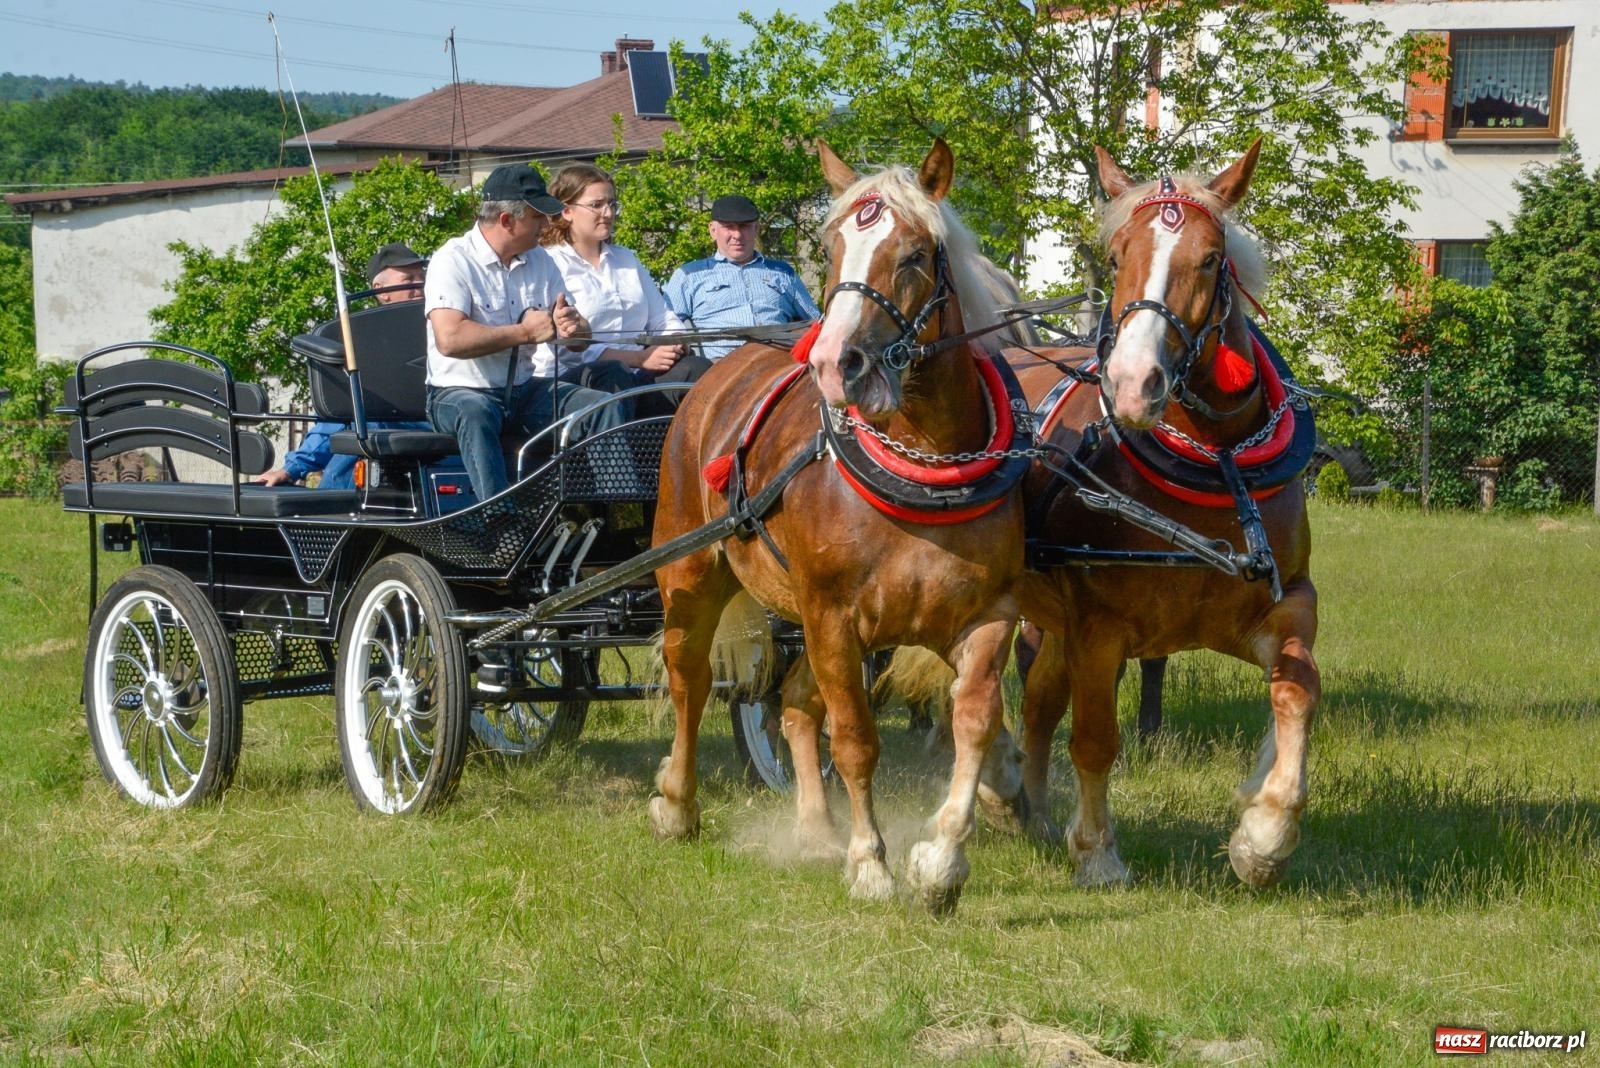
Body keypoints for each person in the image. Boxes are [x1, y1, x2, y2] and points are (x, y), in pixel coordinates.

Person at [423, 162, 624, 501]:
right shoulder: (452, 260)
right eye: (537, 217)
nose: (547, 224)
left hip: (523, 390)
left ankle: (619, 511)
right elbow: (450, 339)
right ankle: (498, 520)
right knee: (475, 413)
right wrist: (526, 333)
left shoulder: (541, 261)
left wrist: (573, 327)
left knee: (602, 405)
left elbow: (578, 339)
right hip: (456, 393)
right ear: (506, 220)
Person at [257, 243, 431, 488]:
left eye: (422, 279)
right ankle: (330, 512)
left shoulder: (445, 324)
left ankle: (329, 513)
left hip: (439, 419)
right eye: (408, 279)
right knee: (356, 421)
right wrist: (290, 468)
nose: (418, 288)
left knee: (360, 424)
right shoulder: (360, 339)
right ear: (382, 291)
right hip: (386, 424)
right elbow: (338, 412)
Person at [540, 163, 711, 401]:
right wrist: (639, 359)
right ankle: (624, 439)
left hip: (637, 374)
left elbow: (661, 317)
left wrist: (675, 342)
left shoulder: (626, 258)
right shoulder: (548, 263)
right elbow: (571, 352)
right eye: (596, 205)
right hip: (578, 383)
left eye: (611, 204)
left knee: (698, 368)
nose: (608, 213)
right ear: (567, 211)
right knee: (612, 373)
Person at [663, 194, 821, 361]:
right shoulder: (689, 275)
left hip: (779, 365)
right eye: (729, 227)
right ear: (713, 230)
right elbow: (666, 325)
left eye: (744, 227)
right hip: (719, 370)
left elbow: (816, 322)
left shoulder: (783, 273)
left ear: (756, 229)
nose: (737, 235)